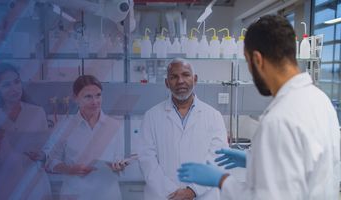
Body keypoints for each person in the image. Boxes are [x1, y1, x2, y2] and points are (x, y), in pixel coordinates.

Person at [177, 15, 340, 200]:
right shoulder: (321, 101)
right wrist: (254, 161)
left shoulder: (279, 119)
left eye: (247, 62)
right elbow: (305, 167)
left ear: (257, 59)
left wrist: (222, 180)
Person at [138, 58, 228, 200]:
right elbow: (147, 160)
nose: (180, 81)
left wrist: (192, 190)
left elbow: (218, 160)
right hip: (164, 196)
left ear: (195, 79)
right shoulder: (151, 117)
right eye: (174, 77)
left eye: (186, 75)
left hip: (202, 195)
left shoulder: (213, 116)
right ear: (167, 83)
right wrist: (172, 192)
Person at [0, 63, 52, 199]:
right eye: (6, 85)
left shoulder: (37, 112)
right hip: (3, 188)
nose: (14, 88)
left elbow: (48, 149)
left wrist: (43, 156)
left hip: (34, 185)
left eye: (17, 82)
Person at [46, 75, 127, 200]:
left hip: (108, 195)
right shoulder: (64, 126)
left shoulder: (114, 125)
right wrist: (69, 169)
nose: (95, 102)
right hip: (76, 194)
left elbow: (119, 158)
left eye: (98, 95)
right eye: (88, 96)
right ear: (75, 98)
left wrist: (119, 166)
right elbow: (51, 161)